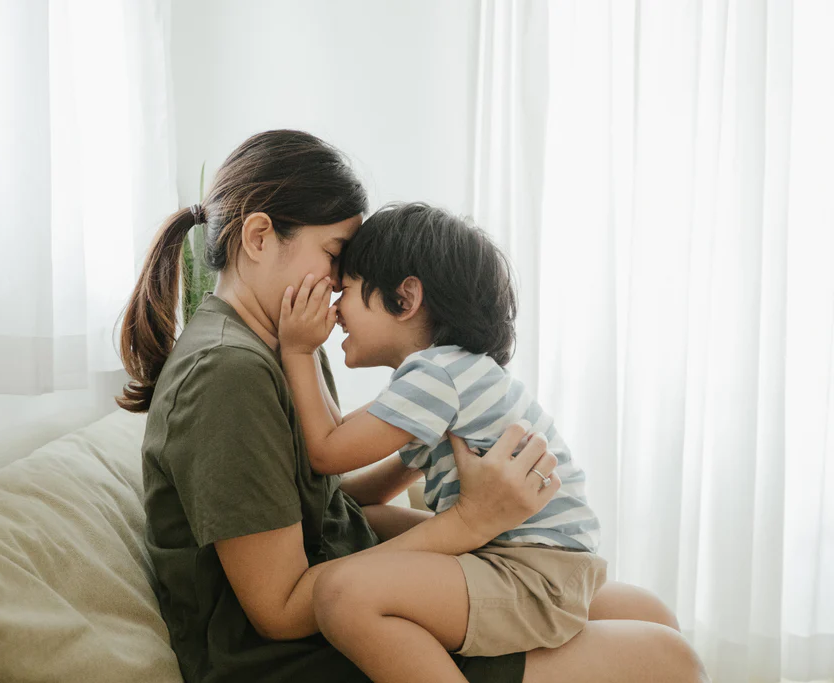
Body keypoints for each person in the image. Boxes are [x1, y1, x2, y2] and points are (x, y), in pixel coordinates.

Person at [118, 129, 708, 683]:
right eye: (335, 253)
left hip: (355, 584)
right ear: (258, 237)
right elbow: (279, 608)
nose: (339, 284)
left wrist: (423, 447)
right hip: (302, 653)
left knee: (648, 611)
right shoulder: (229, 372)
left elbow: (321, 498)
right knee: (669, 659)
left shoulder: (285, 342)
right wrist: (470, 521)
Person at [277, 202, 610, 682]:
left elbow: (327, 451)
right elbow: (346, 458)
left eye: (345, 290)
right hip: (544, 560)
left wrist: (297, 349)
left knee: (342, 595)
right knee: (368, 521)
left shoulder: (435, 376)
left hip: (532, 571)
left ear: (405, 298)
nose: (335, 309)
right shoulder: (450, 374)